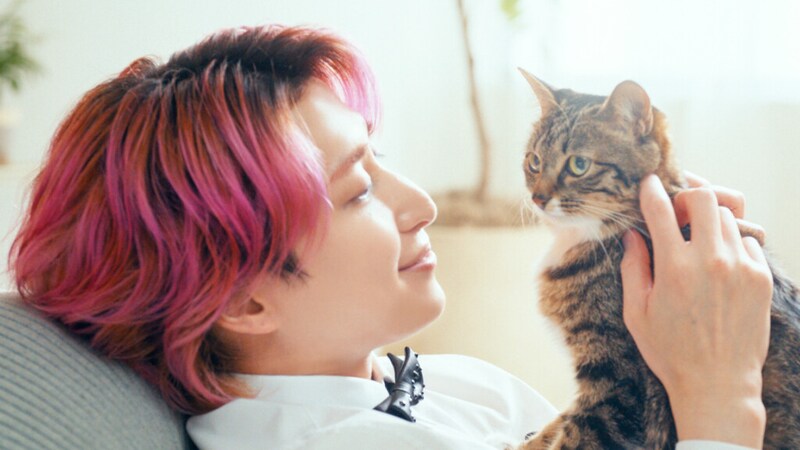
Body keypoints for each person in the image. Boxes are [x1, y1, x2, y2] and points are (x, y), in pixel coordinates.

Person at [8, 25, 773, 449]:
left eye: (384, 157)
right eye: (360, 190)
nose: (422, 204)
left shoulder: (448, 382)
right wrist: (723, 399)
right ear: (243, 301)